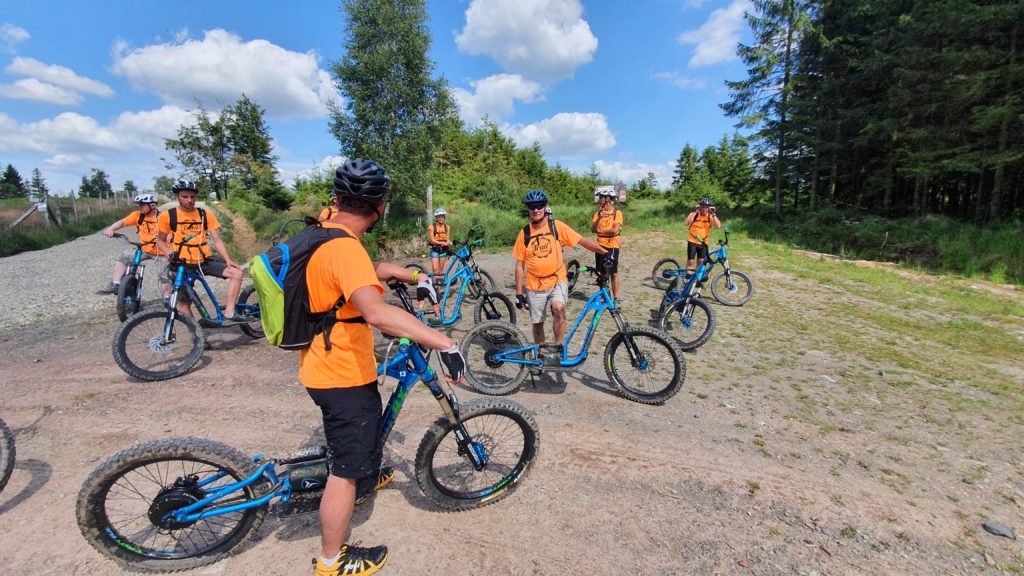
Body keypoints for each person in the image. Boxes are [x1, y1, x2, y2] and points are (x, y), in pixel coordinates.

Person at [307, 159, 465, 576]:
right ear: (380, 207)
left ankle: (362, 473)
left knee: (358, 437)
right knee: (343, 469)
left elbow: (363, 271)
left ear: (337, 200)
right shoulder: (342, 246)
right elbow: (376, 313)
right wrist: (443, 341)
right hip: (338, 371)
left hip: (328, 362)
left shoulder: (328, 232)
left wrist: (411, 275)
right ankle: (330, 561)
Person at [513, 190, 607, 351]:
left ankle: (558, 346)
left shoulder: (556, 226)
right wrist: (519, 294)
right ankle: (540, 354)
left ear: (545, 207)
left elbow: (582, 241)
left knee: (559, 308)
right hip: (534, 283)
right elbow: (519, 265)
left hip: (557, 278)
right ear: (528, 209)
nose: (536, 210)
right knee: (537, 323)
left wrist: (605, 252)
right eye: (532, 206)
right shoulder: (525, 233)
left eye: (539, 206)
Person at [154, 180, 245, 325]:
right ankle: (197, 335)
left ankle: (229, 313)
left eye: (192, 197)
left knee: (236, 273)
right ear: (177, 196)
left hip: (203, 260)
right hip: (181, 263)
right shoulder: (167, 216)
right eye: (185, 196)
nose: (189, 200)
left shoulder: (205, 215)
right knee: (184, 304)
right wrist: (167, 251)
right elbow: (159, 240)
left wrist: (227, 259)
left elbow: (217, 240)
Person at [97, 193, 169, 298]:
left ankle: (167, 299)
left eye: (143, 205)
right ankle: (116, 284)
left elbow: (172, 230)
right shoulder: (137, 215)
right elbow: (122, 223)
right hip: (144, 248)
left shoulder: (163, 217)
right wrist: (111, 229)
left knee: (165, 276)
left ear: (152, 206)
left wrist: (169, 236)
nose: (140, 207)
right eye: (139, 205)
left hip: (161, 251)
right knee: (123, 257)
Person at [590, 188, 623, 304]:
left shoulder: (617, 213)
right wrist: (599, 218)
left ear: (608, 199)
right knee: (602, 272)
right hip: (599, 246)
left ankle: (616, 297)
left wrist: (601, 232)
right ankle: (604, 294)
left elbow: (614, 230)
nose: (599, 200)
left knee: (613, 272)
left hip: (612, 246)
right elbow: (593, 229)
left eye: (601, 197)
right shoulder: (598, 213)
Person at [684, 197, 722, 278]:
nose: (704, 209)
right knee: (690, 262)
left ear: (709, 208)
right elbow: (686, 223)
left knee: (701, 262)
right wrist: (695, 211)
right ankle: (687, 278)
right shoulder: (694, 214)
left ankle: (697, 279)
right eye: (702, 206)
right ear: (700, 206)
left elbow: (718, 226)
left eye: (706, 207)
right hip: (692, 241)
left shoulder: (710, 216)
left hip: (704, 243)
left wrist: (713, 214)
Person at [427, 207, 451, 279]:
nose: (441, 218)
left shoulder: (447, 227)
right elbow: (432, 240)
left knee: (440, 270)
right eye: (439, 217)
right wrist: (442, 243)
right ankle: (435, 286)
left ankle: (439, 284)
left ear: (444, 217)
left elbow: (447, 239)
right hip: (435, 249)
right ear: (436, 218)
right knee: (435, 270)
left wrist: (448, 242)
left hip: (443, 250)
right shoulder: (431, 227)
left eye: (442, 216)